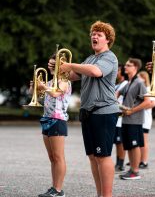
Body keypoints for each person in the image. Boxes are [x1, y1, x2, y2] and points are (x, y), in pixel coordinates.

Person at [57, 20, 119, 197]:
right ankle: (100, 194)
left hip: (104, 111)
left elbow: (95, 72)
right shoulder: (89, 58)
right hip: (88, 112)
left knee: (103, 156)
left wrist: (71, 65)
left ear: (107, 39)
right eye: (93, 34)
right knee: (93, 156)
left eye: (99, 34)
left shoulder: (109, 57)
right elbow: (74, 75)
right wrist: (58, 69)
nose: (94, 36)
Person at [29, 54, 72, 197]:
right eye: (49, 63)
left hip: (58, 120)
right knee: (52, 157)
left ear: (61, 66)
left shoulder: (65, 80)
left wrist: (43, 87)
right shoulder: (50, 81)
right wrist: (34, 88)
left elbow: (55, 93)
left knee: (58, 157)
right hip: (47, 119)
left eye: (53, 64)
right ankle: (54, 187)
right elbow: (38, 97)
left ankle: (58, 190)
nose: (49, 66)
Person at [117, 58, 152, 180]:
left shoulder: (139, 83)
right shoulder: (129, 83)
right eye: (125, 65)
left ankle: (135, 171)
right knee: (129, 146)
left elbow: (148, 102)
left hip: (135, 120)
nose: (125, 67)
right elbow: (118, 93)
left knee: (134, 145)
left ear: (135, 67)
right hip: (126, 120)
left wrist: (132, 110)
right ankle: (131, 169)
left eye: (128, 65)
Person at [138, 71, 155, 168]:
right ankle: (138, 160)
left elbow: (154, 103)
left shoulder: (149, 89)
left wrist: (140, 107)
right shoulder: (140, 88)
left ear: (144, 78)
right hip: (138, 119)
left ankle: (144, 161)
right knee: (138, 141)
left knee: (144, 141)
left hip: (145, 119)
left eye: (139, 77)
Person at [114, 64, 128, 172]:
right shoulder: (116, 84)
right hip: (115, 117)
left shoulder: (125, 84)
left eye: (118, 70)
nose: (116, 72)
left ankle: (121, 163)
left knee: (120, 142)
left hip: (121, 118)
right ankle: (117, 162)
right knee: (116, 142)